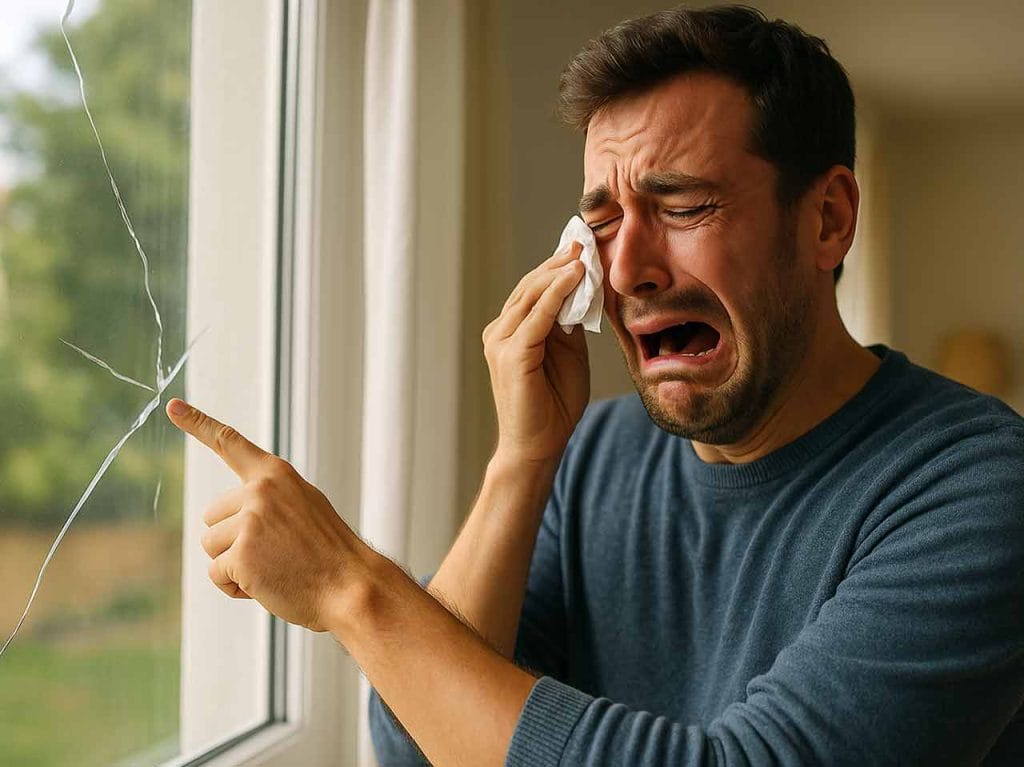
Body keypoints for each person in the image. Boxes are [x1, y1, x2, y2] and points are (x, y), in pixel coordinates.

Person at [168, 4, 1024, 766]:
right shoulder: (597, 457)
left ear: (828, 219)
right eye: (603, 221)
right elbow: (415, 742)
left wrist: (349, 588)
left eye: (684, 205)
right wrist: (522, 460)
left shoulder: (981, 487)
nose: (627, 269)